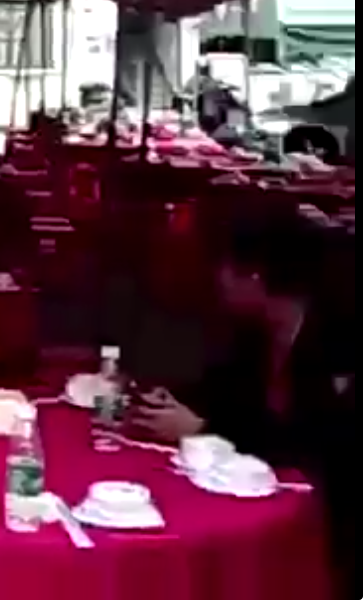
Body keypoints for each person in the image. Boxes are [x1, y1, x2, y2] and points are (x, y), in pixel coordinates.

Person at [131, 207, 354, 591]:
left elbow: (318, 449)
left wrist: (203, 430)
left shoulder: (339, 345)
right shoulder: (255, 335)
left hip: (331, 528)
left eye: (225, 267)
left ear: (254, 276)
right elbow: (222, 396)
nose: (218, 279)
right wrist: (168, 402)